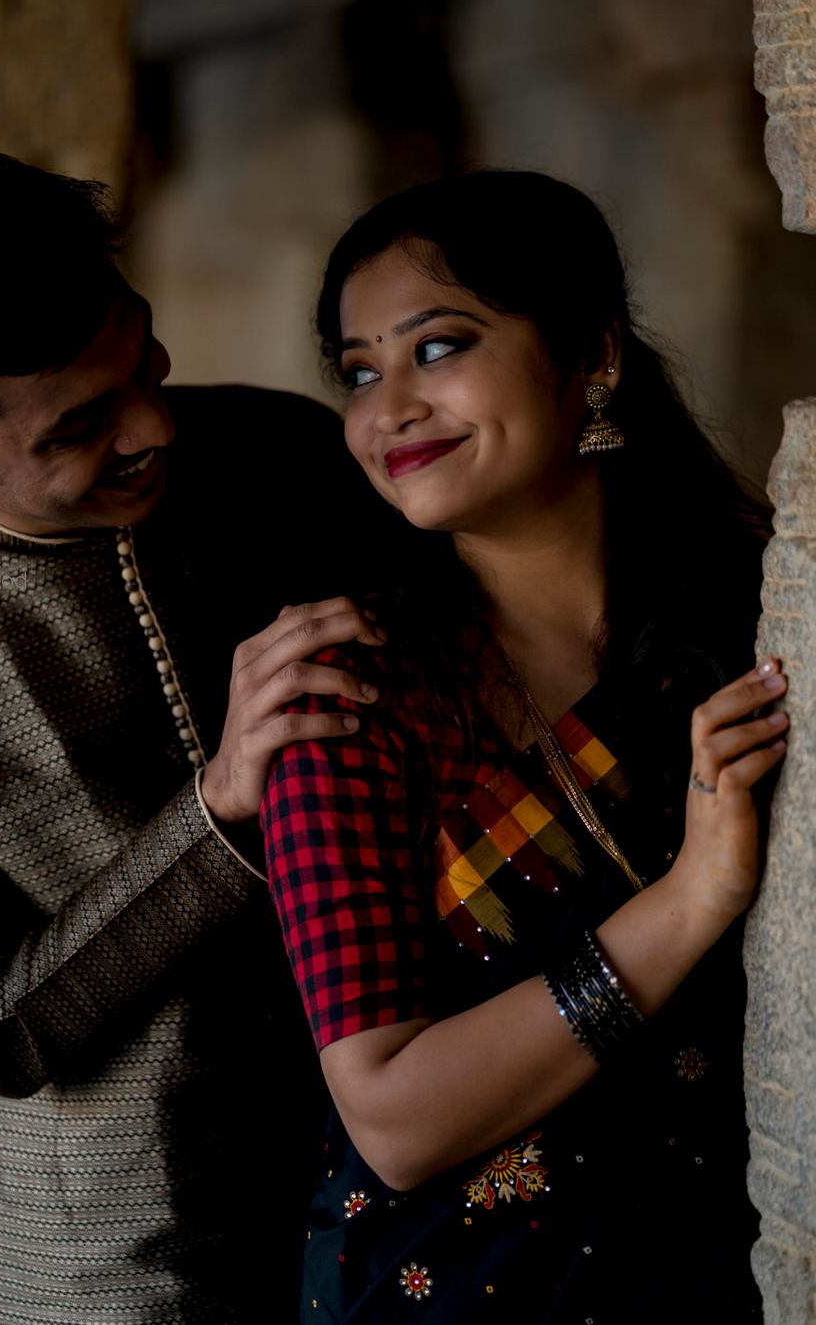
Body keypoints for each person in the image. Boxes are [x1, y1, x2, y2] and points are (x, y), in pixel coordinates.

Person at [0, 143, 391, 1324]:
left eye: (147, 355)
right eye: (81, 426)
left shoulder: (283, 455)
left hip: (394, 1165)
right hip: (127, 1258)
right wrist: (220, 805)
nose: (154, 428)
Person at [259, 170, 781, 1322]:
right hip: (458, 1290)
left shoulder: (756, 617)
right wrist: (690, 899)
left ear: (591, 356)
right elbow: (394, 1120)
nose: (386, 407)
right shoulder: (344, 698)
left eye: (437, 348)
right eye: (357, 371)